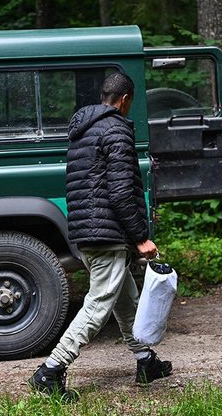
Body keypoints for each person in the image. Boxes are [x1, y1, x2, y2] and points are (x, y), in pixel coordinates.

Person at [28, 72, 172, 401]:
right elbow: (121, 192)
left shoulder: (83, 129)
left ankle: (145, 361)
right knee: (97, 307)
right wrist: (140, 237)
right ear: (124, 99)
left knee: (126, 302)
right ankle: (50, 371)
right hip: (108, 235)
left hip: (86, 231)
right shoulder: (116, 128)